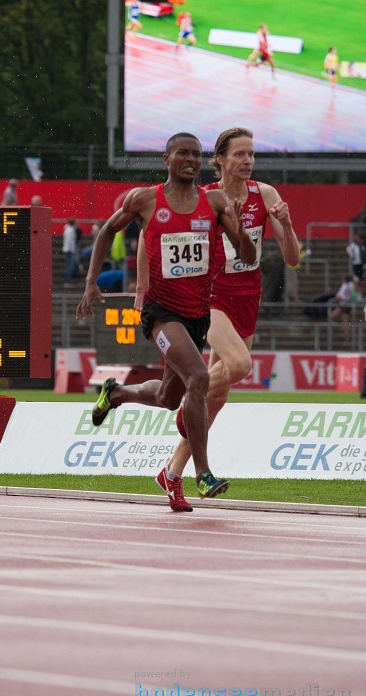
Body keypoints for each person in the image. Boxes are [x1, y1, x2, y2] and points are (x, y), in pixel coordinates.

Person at [76, 132, 254, 508]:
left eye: (196, 154)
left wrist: (239, 228)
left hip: (196, 315)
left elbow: (245, 252)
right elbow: (108, 230)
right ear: (166, 159)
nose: (190, 159)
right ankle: (203, 474)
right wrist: (91, 282)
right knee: (200, 378)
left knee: (168, 397)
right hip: (161, 314)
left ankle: (116, 393)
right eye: (182, 153)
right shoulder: (144, 199)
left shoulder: (216, 201)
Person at [156, 127, 300, 511]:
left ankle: (172, 474)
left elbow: (292, 258)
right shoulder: (203, 198)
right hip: (211, 296)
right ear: (219, 160)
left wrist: (284, 224)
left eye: (251, 154)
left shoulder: (265, 194)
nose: (248, 161)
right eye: (239, 154)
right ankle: (190, 400)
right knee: (239, 365)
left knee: (216, 398)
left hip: (247, 298)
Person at [62, 218, 80, 287]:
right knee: (70, 266)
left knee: (70, 266)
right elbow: (70, 242)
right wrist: (72, 250)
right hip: (69, 250)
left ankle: (68, 280)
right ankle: (68, 281)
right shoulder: (70, 230)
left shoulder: (68, 229)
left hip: (68, 250)